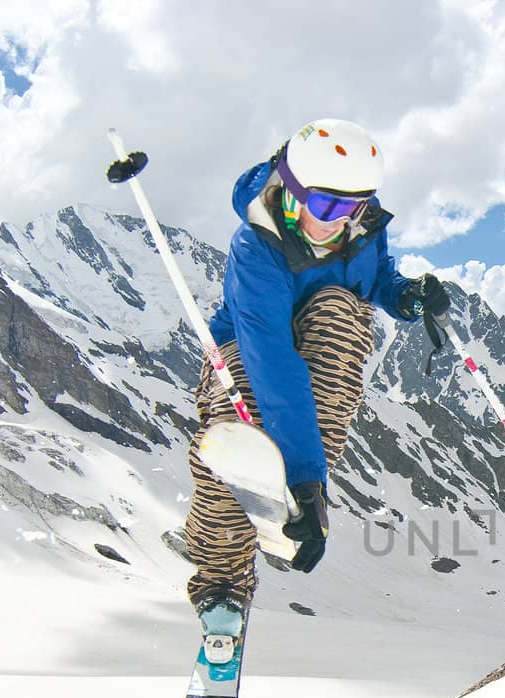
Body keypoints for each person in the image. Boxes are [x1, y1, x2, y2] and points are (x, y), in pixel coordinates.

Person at [187, 118, 450, 659]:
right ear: (291, 190)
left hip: (322, 342)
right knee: (238, 436)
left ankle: (292, 497)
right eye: (328, 207)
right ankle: (221, 580)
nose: (341, 222)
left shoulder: (360, 225)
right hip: (247, 350)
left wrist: (405, 297)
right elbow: (273, 363)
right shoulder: (256, 247)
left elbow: (373, 277)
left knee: (340, 311)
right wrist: (307, 479)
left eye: (355, 207)